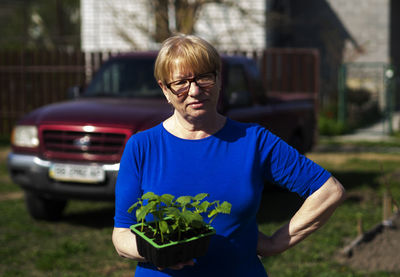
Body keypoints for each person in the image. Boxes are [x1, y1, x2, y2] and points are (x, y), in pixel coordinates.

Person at [112, 34, 345, 277]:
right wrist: (154, 251)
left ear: (219, 79)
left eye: (204, 77)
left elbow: (328, 192)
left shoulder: (253, 141)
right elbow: (121, 235)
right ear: (165, 89)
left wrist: (277, 242)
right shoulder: (142, 146)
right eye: (181, 82)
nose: (194, 90)